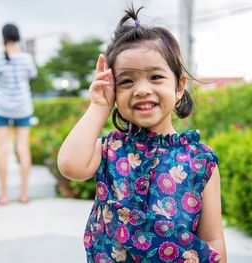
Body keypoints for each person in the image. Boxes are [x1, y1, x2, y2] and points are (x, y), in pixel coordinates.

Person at [57, 6, 226, 262]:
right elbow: (70, 165)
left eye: (155, 77)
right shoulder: (110, 149)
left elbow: (212, 238)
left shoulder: (200, 161)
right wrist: (100, 105)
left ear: (179, 87)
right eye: (127, 81)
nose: (142, 89)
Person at [0, 23, 37, 205]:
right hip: (22, 107)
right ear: (17, 36)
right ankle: (23, 194)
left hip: (1, 107)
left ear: (3, 36)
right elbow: (30, 76)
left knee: (2, 150)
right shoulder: (26, 58)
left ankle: (4, 196)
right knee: (23, 149)